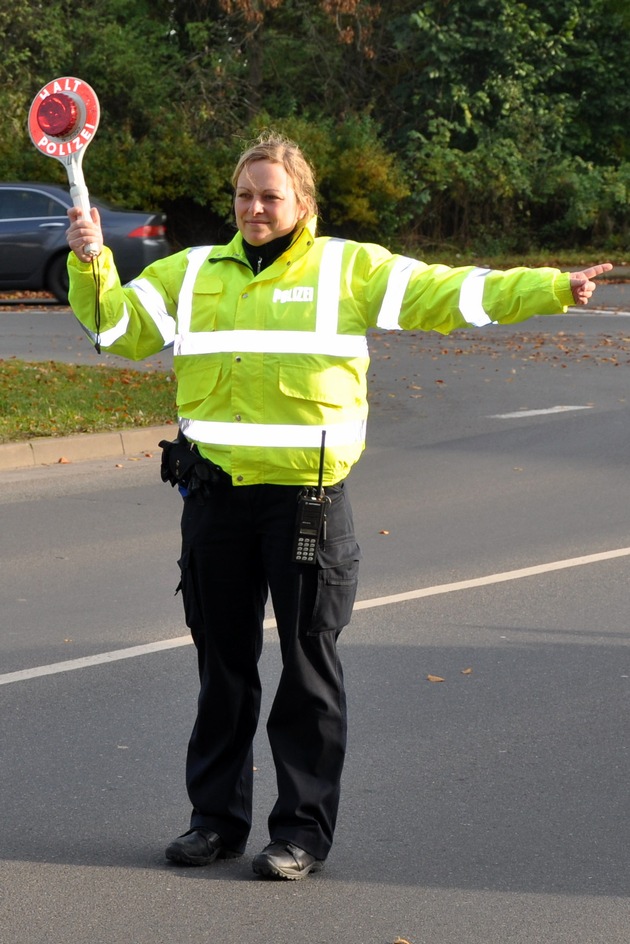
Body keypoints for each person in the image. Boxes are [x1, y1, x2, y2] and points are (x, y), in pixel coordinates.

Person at [65, 131, 612, 880]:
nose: (255, 208)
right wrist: (91, 261)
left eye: (270, 196)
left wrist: (551, 287)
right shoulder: (190, 273)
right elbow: (116, 330)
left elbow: (447, 294)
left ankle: (300, 834)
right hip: (215, 502)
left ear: (302, 202)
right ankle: (214, 824)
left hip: (306, 506)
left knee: (306, 668)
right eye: (244, 195)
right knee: (222, 672)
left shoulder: (347, 269)